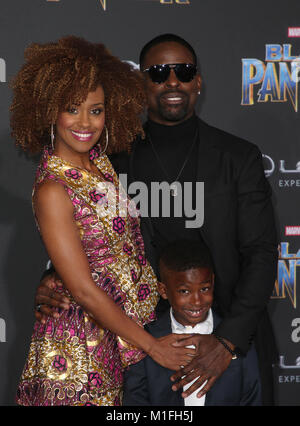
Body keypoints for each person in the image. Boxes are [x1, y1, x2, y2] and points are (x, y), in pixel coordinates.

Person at [34, 34, 278, 405]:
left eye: (184, 71)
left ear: (198, 80)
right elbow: (84, 236)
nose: (173, 81)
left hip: (226, 341)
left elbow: (261, 252)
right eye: (159, 73)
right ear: (140, 84)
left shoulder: (238, 157)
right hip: (138, 345)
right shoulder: (110, 160)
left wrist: (227, 342)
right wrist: (53, 279)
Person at [10, 36, 194, 406]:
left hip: (112, 341)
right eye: (72, 109)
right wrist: (154, 348)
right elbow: (83, 290)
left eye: (96, 110)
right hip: (74, 353)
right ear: (49, 111)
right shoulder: (53, 188)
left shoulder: (100, 163)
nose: (85, 123)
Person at [123, 240, 262, 406]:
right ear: (163, 291)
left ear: (213, 282)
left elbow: (252, 398)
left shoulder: (236, 340)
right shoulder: (147, 340)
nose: (197, 301)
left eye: (204, 289)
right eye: (184, 291)